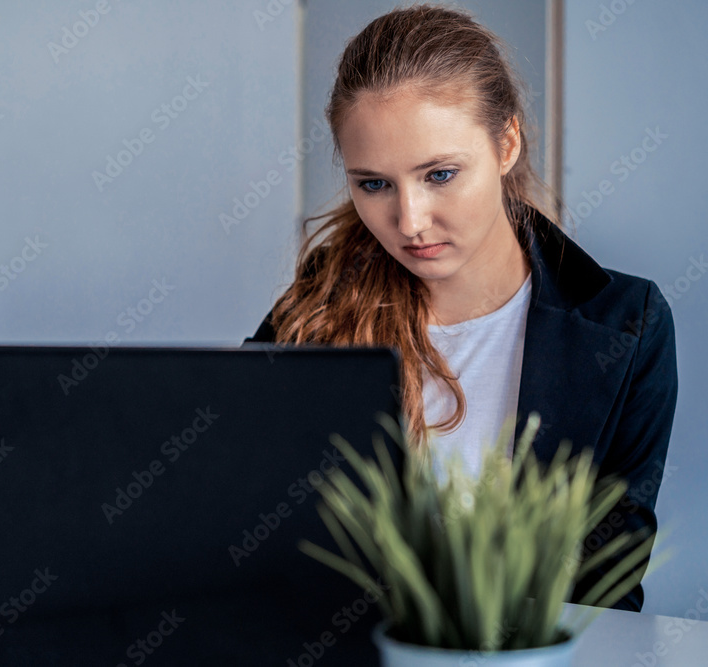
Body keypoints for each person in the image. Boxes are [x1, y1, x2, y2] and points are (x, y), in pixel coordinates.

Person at [244, 4, 678, 612]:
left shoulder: (626, 325)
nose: (409, 221)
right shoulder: (318, 304)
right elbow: (238, 538)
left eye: (440, 174)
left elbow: (606, 586)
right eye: (373, 184)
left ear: (506, 143)